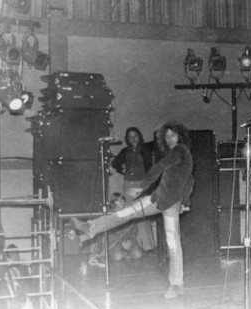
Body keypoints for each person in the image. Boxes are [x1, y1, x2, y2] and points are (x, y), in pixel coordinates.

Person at [71, 121, 194, 299]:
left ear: (180, 136)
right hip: (157, 199)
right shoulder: (179, 155)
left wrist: (143, 186)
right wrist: (186, 199)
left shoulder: (180, 151)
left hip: (169, 204)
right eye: (166, 136)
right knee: (125, 213)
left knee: (173, 245)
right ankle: (89, 228)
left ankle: (176, 284)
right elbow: (190, 181)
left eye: (172, 135)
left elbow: (159, 168)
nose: (169, 138)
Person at [111, 127, 156, 252]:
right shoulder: (125, 151)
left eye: (135, 136)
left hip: (142, 185)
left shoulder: (146, 149)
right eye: (130, 137)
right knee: (131, 214)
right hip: (128, 185)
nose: (133, 139)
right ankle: (131, 245)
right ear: (127, 139)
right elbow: (115, 164)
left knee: (143, 215)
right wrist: (122, 169)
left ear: (139, 136)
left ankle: (148, 247)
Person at [106, 193, 143, 261]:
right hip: (115, 242)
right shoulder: (110, 215)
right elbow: (109, 234)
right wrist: (121, 242)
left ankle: (125, 253)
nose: (121, 202)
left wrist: (130, 241)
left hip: (129, 240)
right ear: (113, 203)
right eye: (118, 200)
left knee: (138, 255)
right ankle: (118, 253)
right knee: (118, 257)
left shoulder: (129, 212)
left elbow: (134, 229)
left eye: (122, 199)